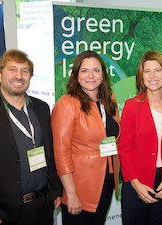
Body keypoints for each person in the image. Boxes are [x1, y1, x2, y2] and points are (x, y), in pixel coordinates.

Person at [0, 49, 62, 225]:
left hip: (42, 205)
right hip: (1, 211)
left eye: (24, 71)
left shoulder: (42, 108)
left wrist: (55, 190)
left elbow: (50, 152)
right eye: (12, 69)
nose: (19, 76)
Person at [118, 50, 162, 225]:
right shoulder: (132, 106)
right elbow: (124, 149)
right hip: (136, 181)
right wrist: (135, 184)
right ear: (141, 77)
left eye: (157, 70)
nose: (152, 76)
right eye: (147, 71)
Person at [51, 50, 120, 225]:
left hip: (106, 181)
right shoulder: (67, 104)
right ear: (76, 75)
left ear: (103, 75)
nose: (91, 75)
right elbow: (61, 152)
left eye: (96, 70)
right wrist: (71, 193)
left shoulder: (109, 99)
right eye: (84, 71)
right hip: (80, 187)